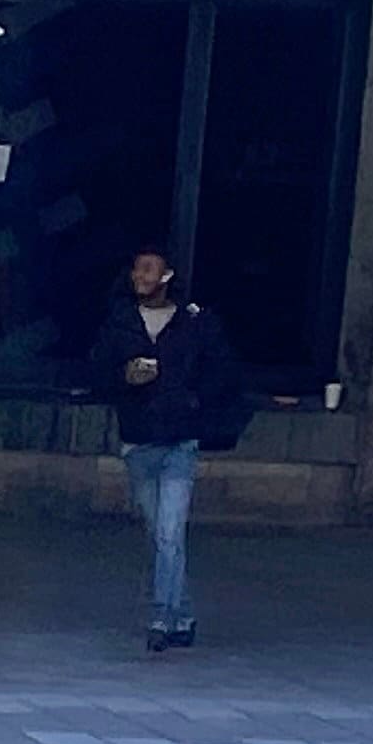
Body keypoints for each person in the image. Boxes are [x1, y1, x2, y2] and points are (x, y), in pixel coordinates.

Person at [83, 250, 251, 654]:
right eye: (136, 268)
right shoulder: (120, 321)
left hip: (180, 441)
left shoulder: (194, 322)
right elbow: (96, 372)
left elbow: (224, 371)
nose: (139, 276)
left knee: (169, 534)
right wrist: (125, 376)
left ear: (167, 276)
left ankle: (161, 617)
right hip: (139, 441)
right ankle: (184, 615)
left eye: (148, 269)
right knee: (160, 535)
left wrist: (193, 400)